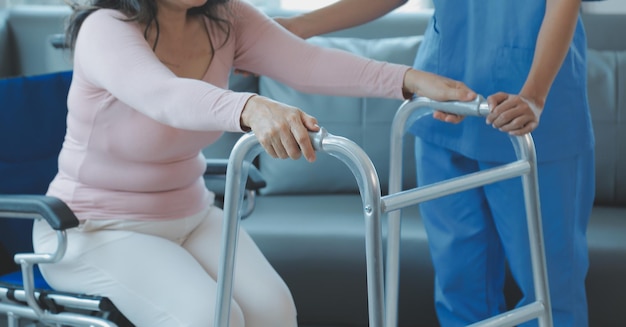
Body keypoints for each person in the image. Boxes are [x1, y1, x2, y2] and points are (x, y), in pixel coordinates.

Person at [30, 0, 476, 326]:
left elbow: (310, 64)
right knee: (204, 318)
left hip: (191, 215)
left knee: (273, 312)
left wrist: (409, 80)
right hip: (95, 229)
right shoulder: (104, 28)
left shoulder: (226, 19)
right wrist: (250, 108)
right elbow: (163, 97)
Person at [275, 0, 595, 326]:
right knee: (460, 287)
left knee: (551, 292)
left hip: (531, 120)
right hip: (445, 111)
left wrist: (534, 94)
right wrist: (299, 27)